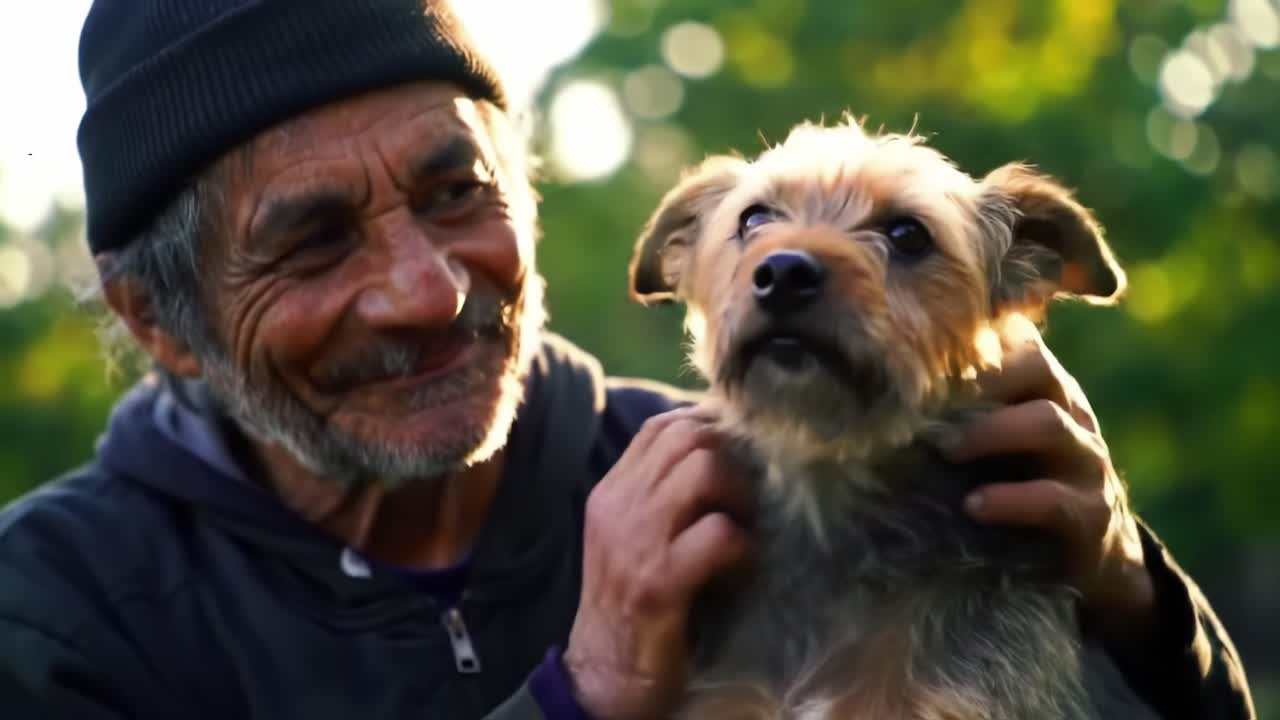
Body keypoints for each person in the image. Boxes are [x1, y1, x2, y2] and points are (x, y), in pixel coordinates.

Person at [0, 2, 1254, 719]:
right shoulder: (51, 612)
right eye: (314, 240)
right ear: (160, 320)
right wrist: (581, 693)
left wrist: (1131, 602)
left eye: (456, 193)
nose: (427, 290)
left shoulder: (732, 483)